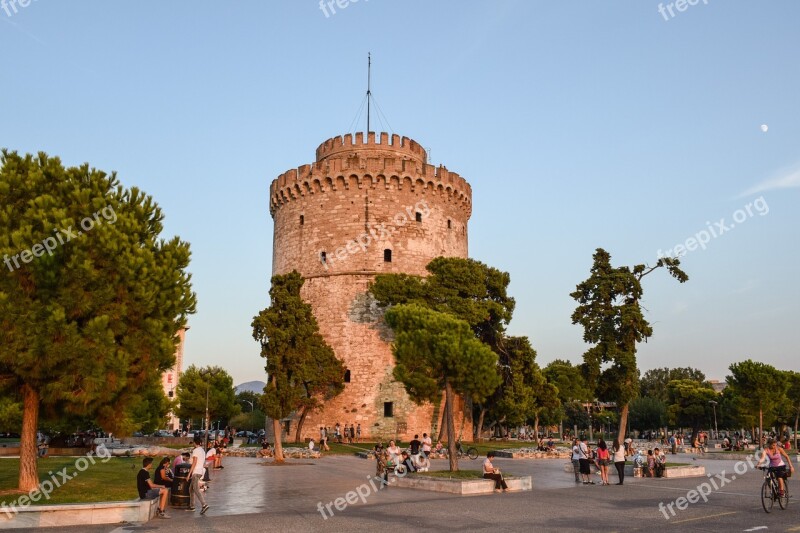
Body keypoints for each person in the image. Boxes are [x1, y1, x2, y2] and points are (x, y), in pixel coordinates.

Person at [187, 437, 210, 515]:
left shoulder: (195, 451)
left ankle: (204, 504)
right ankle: (192, 506)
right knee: (191, 489)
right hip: (200, 472)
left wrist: (189, 474)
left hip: (196, 472)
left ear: (194, 443)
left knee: (196, 489)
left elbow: (194, 462)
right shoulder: (203, 451)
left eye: (193, 443)